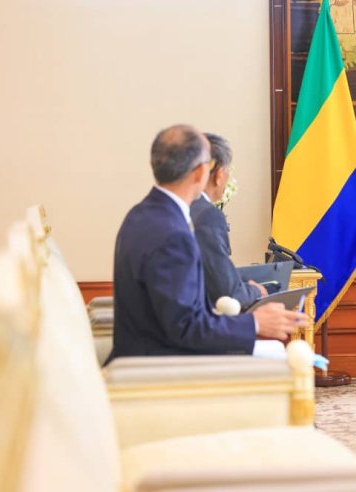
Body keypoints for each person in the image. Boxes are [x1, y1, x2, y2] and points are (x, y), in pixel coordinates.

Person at [107, 124, 307, 363]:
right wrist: (254, 323)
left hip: (146, 354)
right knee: (284, 360)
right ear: (202, 172)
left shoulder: (141, 214)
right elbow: (186, 327)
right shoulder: (173, 235)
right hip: (159, 366)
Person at [190, 132, 266, 308]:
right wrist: (256, 291)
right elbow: (226, 294)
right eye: (227, 172)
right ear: (218, 175)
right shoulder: (207, 215)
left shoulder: (161, 209)